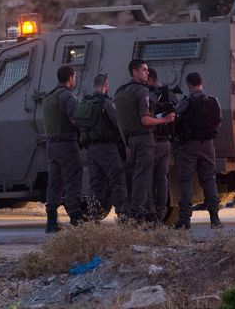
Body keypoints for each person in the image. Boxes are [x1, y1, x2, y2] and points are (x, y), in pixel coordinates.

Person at [113, 59, 176, 223]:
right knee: (145, 179)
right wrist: (166, 120)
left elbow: (120, 122)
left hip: (131, 141)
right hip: (145, 139)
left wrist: (126, 143)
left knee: (137, 177)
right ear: (135, 72)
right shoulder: (141, 92)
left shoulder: (120, 92)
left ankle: (145, 215)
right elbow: (145, 120)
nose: (147, 73)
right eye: (144, 70)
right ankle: (140, 216)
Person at [173, 71, 224, 230]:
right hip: (208, 145)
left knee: (186, 181)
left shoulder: (184, 103)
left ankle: (184, 220)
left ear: (189, 85)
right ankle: (215, 219)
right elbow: (218, 122)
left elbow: (176, 122)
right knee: (209, 180)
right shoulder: (213, 101)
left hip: (189, 146)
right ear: (201, 83)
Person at [75, 73, 127, 221]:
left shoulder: (84, 104)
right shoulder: (106, 103)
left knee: (96, 184)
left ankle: (94, 216)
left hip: (91, 149)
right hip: (108, 148)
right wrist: (126, 145)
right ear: (105, 86)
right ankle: (122, 215)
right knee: (117, 180)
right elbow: (117, 125)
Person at [41, 65, 83, 232]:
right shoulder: (67, 96)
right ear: (71, 77)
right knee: (73, 181)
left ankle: (51, 221)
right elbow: (76, 120)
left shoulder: (48, 97)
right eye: (75, 77)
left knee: (54, 183)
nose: (75, 80)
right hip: (67, 145)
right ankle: (75, 218)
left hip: (51, 145)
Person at [146, 68, 175, 222]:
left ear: (150, 79)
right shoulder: (169, 94)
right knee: (162, 179)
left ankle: (152, 215)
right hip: (166, 142)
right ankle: (160, 211)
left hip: (152, 141)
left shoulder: (148, 95)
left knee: (149, 179)